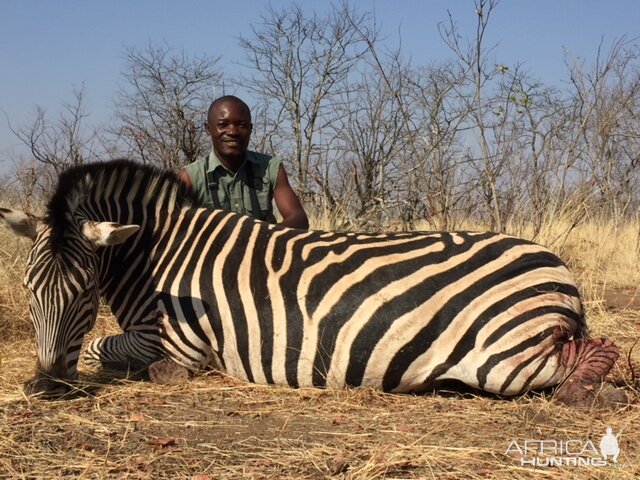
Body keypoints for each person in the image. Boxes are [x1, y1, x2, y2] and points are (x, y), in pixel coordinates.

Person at [179, 95, 309, 229]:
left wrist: (260, 238)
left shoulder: (271, 167)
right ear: (208, 128)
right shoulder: (189, 177)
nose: (233, 132)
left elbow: (298, 218)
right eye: (223, 125)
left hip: (262, 246)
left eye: (241, 125)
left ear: (250, 129)